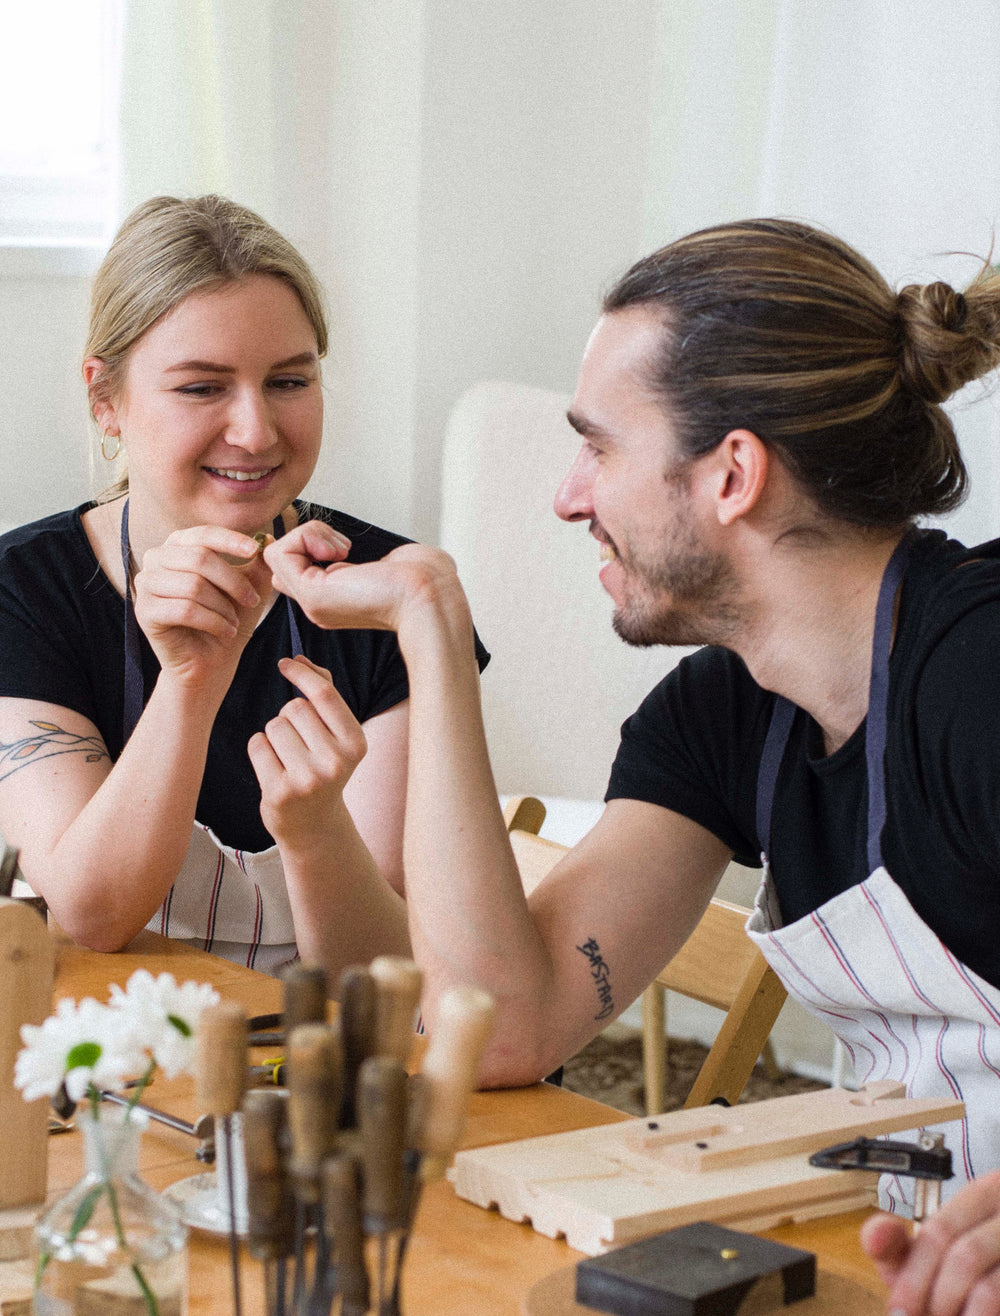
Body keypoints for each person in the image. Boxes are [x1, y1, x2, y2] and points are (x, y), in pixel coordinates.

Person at [262, 217, 1000, 1311]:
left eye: (598, 446)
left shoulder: (977, 676)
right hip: (896, 1262)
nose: (567, 495)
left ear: (732, 474)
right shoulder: (724, 713)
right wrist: (430, 623)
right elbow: (505, 1021)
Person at [0, 193, 486, 975]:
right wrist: (192, 680)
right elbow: (91, 914)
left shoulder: (395, 594)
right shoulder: (22, 590)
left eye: (289, 382)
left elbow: (388, 974)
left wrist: (318, 830)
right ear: (106, 399)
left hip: (322, 1057)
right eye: (201, 388)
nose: (256, 432)